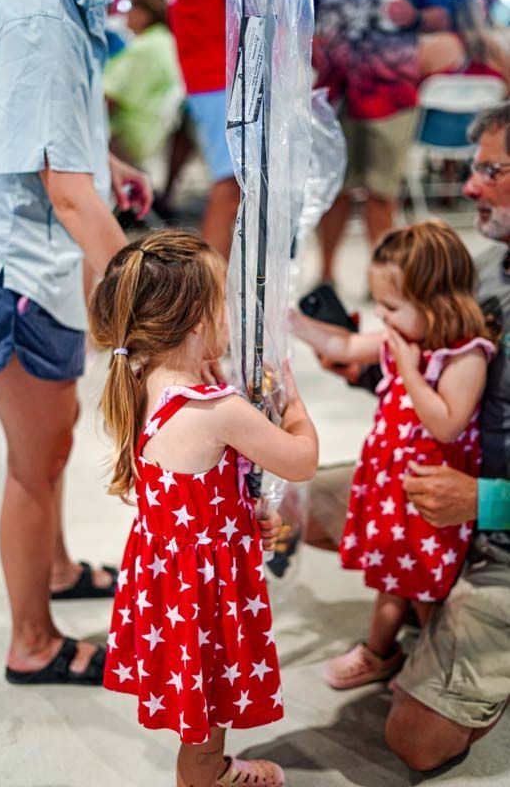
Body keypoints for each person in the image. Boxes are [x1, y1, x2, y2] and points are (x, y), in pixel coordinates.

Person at [304, 102, 510, 770]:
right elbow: (435, 373)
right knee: (289, 505)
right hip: (445, 495)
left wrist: (483, 503)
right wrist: (364, 368)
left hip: (493, 525)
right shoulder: (480, 266)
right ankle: (423, 623)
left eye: (488, 170)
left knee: (415, 742)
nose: (469, 185)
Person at [89, 229, 318, 786]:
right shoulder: (220, 411)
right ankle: (207, 775)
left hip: (170, 585)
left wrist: (241, 512)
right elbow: (302, 460)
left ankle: (209, 766)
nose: (232, 319)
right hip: (205, 598)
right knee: (208, 717)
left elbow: (202, 482)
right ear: (198, 322)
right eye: (226, 306)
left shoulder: (144, 379)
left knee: (201, 708)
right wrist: (291, 399)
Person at [0, 0, 152, 685]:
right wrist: (154, 301)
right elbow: (67, 194)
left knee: (56, 432)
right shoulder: (37, 14)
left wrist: (105, 167)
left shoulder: (51, 3)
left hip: (32, 255)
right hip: (16, 264)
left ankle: (54, 569)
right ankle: (32, 643)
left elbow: (32, 127)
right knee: (35, 457)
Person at [292, 220, 496, 689]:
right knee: (390, 576)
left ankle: (431, 658)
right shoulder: (402, 337)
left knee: (425, 584)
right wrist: (296, 324)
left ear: (435, 301)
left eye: (390, 306)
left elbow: (446, 422)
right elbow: (342, 344)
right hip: (390, 491)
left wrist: (408, 368)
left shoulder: (463, 356)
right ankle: (379, 652)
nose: (382, 318)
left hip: (430, 499)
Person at [313, 0, 452, 282]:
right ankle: (325, 277)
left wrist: (414, 17)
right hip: (336, 94)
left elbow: (444, 16)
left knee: (382, 191)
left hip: (391, 95)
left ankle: (381, 278)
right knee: (334, 189)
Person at [104, 0, 194, 216]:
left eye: (127, 7)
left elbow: (106, 98)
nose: (123, 14)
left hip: (127, 136)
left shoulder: (143, 49)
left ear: (145, 12)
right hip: (151, 132)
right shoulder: (165, 41)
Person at [167, 0, 240, 259]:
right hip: (218, 71)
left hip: (216, 69)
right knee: (230, 184)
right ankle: (210, 287)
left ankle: (217, 284)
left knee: (235, 186)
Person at [419, 0, 510, 91]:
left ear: (448, 14)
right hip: (491, 104)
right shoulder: (495, 46)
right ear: (479, 14)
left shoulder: (431, 44)